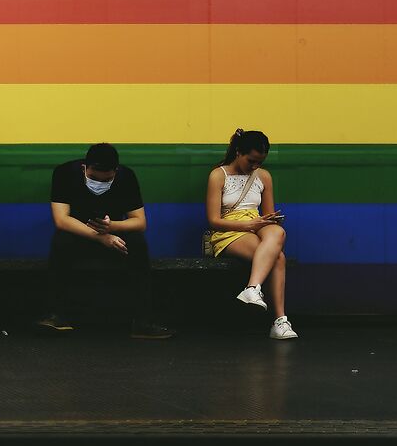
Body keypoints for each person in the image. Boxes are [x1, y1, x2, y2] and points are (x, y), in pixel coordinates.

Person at [36, 142, 172, 338]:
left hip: (114, 233)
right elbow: (62, 219)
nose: (99, 183)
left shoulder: (126, 177)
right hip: (79, 234)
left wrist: (113, 227)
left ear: (115, 172)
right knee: (61, 240)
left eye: (106, 179)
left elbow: (140, 222)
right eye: (93, 178)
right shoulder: (64, 173)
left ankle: (142, 322)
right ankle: (56, 315)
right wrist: (102, 238)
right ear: (85, 167)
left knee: (137, 243)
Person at [205, 128, 297, 340]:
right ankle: (280, 320)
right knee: (278, 257)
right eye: (251, 161)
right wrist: (249, 226)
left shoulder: (263, 176)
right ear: (238, 152)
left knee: (278, 231)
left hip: (257, 225)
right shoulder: (219, 175)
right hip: (229, 231)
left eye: (260, 162)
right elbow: (213, 220)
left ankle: (252, 288)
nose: (255, 166)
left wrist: (269, 220)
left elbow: (267, 214)